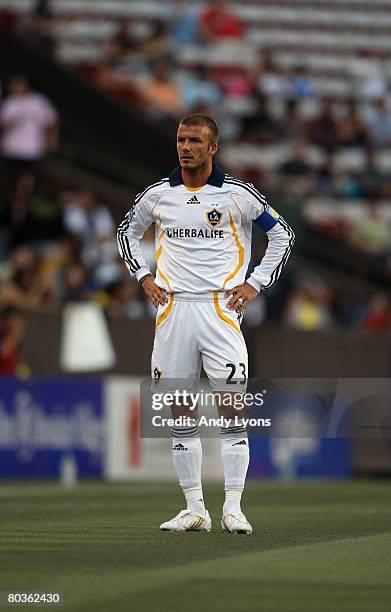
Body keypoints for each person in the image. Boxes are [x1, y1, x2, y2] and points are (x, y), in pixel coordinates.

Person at [117, 114, 294, 534]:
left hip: (220, 310)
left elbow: (283, 233)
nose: (185, 147)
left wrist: (254, 285)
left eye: (195, 140)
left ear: (213, 148)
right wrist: (143, 276)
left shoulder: (237, 195)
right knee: (181, 414)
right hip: (173, 310)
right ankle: (195, 508)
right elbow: (126, 232)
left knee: (233, 410)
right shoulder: (158, 195)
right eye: (181, 139)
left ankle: (234, 506)